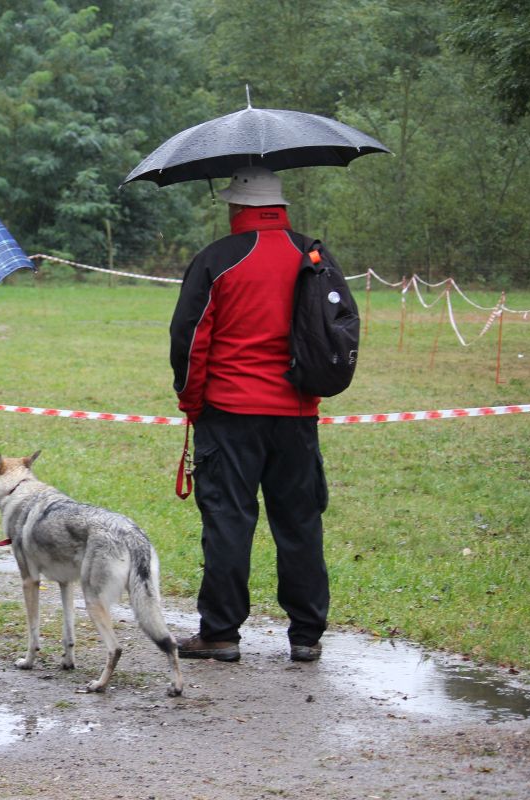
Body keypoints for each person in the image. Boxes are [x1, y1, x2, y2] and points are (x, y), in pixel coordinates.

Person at [169, 165, 329, 664]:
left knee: (228, 521)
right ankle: (306, 635)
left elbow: (191, 340)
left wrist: (192, 402)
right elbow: (332, 330)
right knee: (300, 522)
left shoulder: (217, 259)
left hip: (230, 413)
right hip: (297, 413)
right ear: (280, 204)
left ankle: (220, 634)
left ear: (235, 206)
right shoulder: (314, 254)